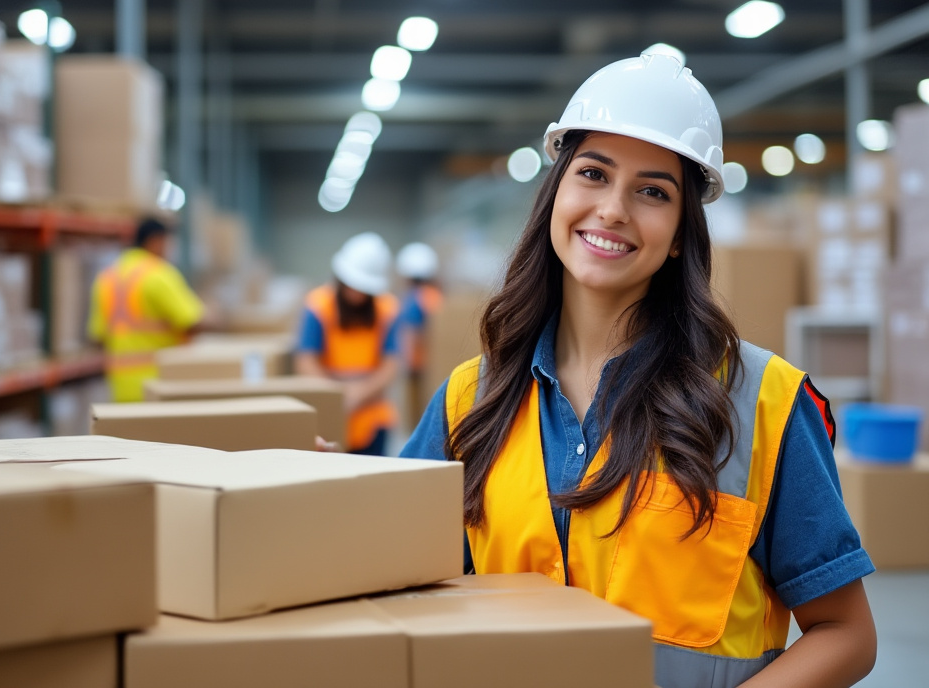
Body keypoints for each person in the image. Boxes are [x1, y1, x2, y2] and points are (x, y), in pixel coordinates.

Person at [400, 53, 876, 688]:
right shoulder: (470, 399)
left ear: (681, 231)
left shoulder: (763, 402)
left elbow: (846, 634)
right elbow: (396, 575)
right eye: (593, 174)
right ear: (555, 196)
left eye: (653, 191)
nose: (614, 209)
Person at [295, 232, 401, 455]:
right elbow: (305, 361)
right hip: (328, 416)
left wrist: (358, 394)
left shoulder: (388, 309)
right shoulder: (318, 306)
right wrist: (336, 397)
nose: (357, 294)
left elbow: (391, 364)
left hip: (372, 418)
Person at [87, 217, 206, 402]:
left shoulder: (106, 278)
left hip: (120, 386)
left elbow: (97, 336)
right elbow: (192, 321)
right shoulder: (158, 274)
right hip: (158, 383)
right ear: (155, 240)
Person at [395, 242, 444, 430]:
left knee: (418, 419)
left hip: (418, 367)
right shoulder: (436, 296)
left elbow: (410, 333)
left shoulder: (412, 299)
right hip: (437, 367)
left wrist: (406, 363)